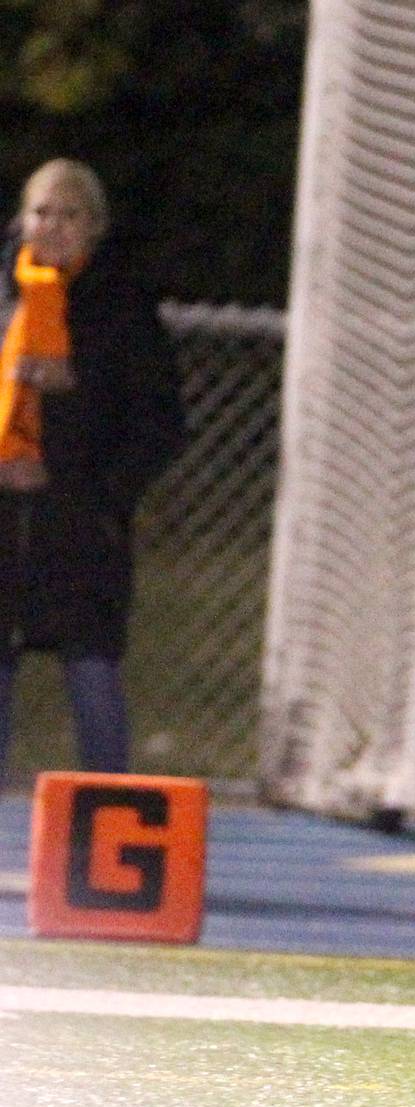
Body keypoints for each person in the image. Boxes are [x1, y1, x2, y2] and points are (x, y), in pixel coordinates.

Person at [0, 158, 184, 788]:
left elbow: (160, 423)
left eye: (69, 213)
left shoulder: (121, 307)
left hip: (79, 517)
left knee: (91, 662)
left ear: (95, 227)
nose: (51, 225)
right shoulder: (6, 296)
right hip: (5, 511)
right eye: (41, 210)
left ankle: (113, 816)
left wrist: (100, 497)